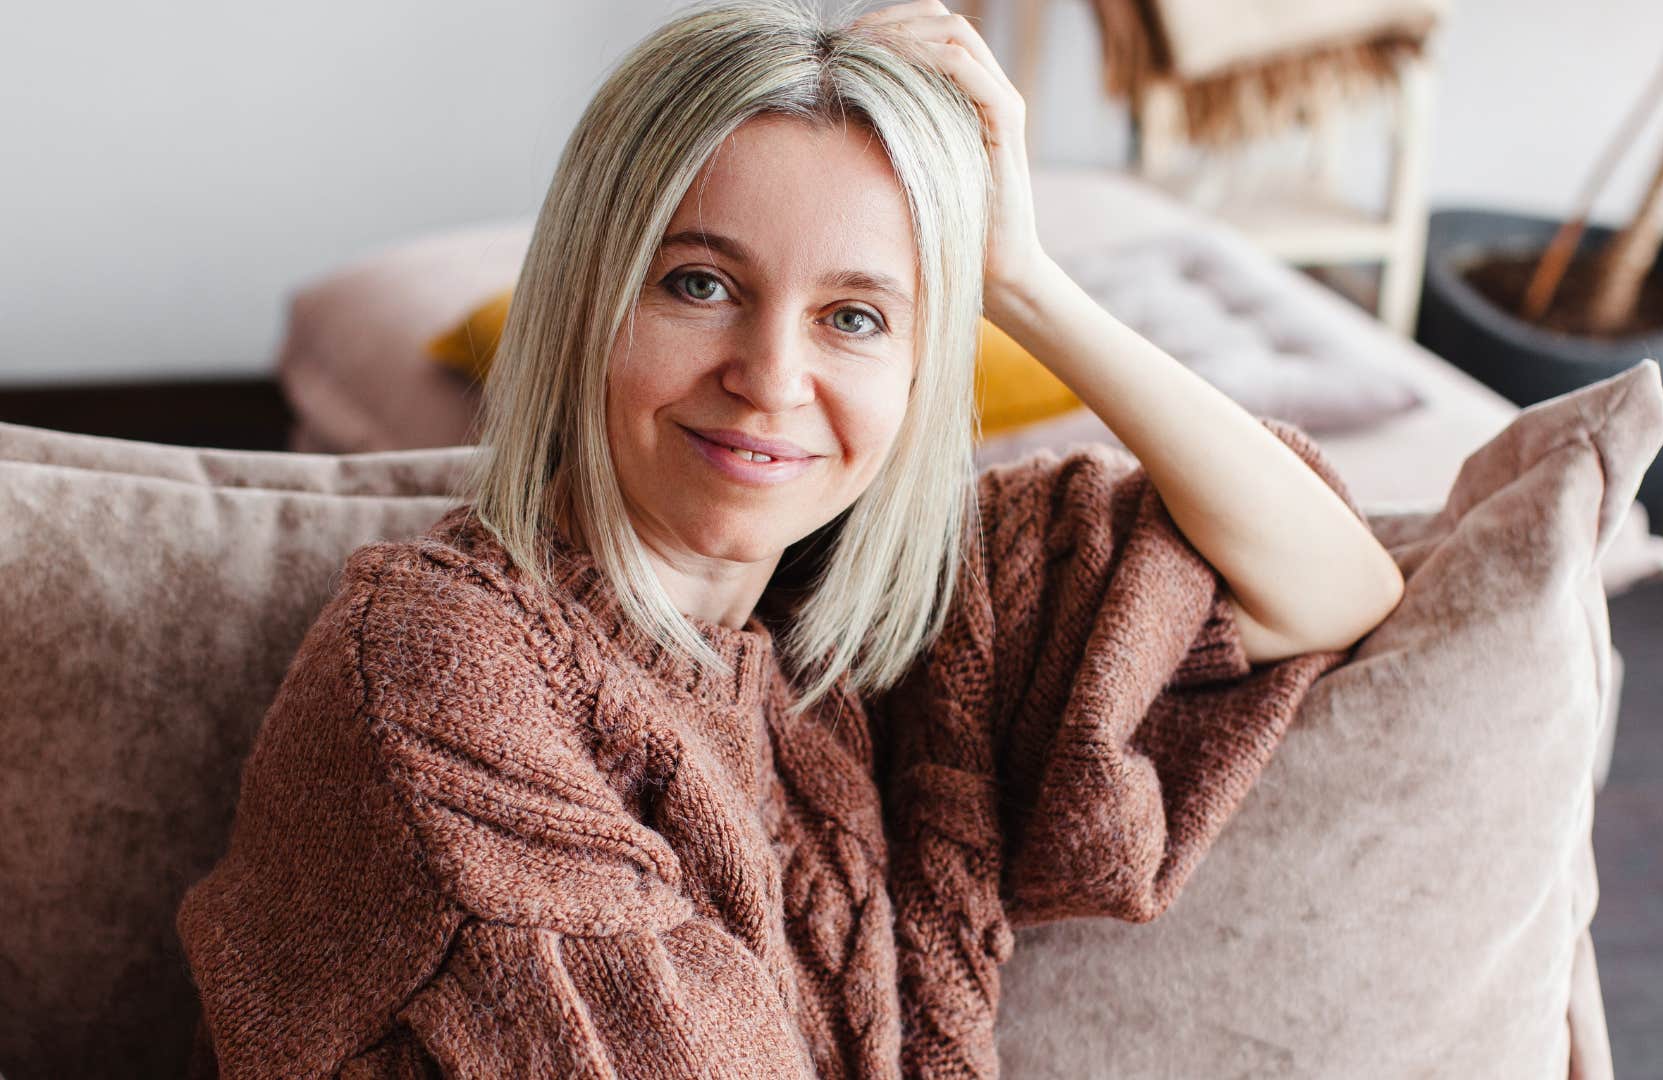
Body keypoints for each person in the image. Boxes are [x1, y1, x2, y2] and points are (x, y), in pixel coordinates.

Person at [174, 0, 1405, 1076]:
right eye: (699, 284)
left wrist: (1024, 281)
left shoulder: (888, 622)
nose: (771, 379)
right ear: (587, 298)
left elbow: (1329, 584)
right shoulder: (441, 670)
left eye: (856, 317)